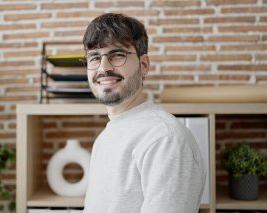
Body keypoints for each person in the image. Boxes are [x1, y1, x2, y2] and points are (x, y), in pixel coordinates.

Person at [81, 13, 206, 213]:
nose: (104, 67)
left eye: (118, 55)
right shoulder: (105, 137)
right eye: (94, 57)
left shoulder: (165, 139)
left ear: (144, 65)